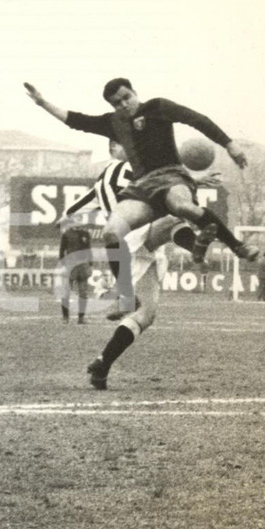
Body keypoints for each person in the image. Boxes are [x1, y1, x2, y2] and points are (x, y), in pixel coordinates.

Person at [25, 79, 260, 315]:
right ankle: (127, 297)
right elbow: (76, 121)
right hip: (141, 188)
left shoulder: (158, 107)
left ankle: (237, 246)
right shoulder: (114, 122)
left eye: (127, 97)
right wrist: (43, 103)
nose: (124, 104)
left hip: (171, 176)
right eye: (117, 103)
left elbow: (197, 119)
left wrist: (229, 144)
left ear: (135, 92)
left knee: (183, 207)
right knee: (110, 232)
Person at [63, 140, 221, 390]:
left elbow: (73, 209)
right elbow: (153, 184)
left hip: (134, 245)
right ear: (114, 148)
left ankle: (102, 365)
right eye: (124, 144)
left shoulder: (103, 181)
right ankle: (195, 249)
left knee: (146, 315)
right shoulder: (119, 167)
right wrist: (194, 180)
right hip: (134, 234)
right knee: (172, 219)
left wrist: (66, 219)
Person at [57, 224, 91, 324]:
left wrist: (91, 264)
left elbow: (88, 250)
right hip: (70, 264)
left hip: (82, 265)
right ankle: (65, 317)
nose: (78, 222)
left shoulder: (86, 234)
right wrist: (62, 264)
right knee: (66, 291)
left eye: (80, 219)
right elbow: (62, 250)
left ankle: (81, 318)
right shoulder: (67, 234)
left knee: (83, 292)